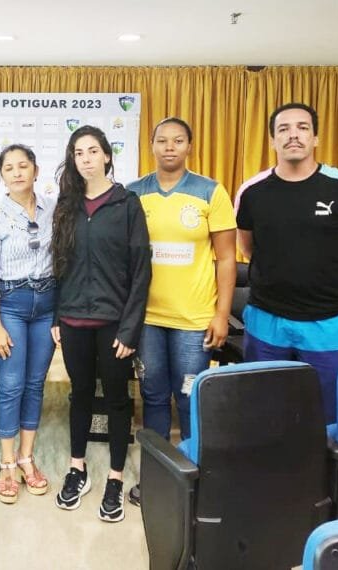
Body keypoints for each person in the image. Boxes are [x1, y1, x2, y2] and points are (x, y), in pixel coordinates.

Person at [235, 102, 338, 423]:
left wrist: (322, 277)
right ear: (272, 140)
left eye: (302, 127)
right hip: (267, 319)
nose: (293, 135)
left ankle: (323, 457)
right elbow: (248, 248)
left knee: (329, 416)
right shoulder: (252, 191)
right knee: (265, 411)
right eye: (283, 129)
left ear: (315, 138)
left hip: (328, 321)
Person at [125, 117, 236, 507]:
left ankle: (192, 477)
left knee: (189, 398)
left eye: (177, 141)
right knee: (153, 395)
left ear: (190, 146)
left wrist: (221, 314)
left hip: (194, 320)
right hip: (148, 320)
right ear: (152, 145)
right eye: (162, 140)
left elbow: (226, 259)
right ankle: (157, 477)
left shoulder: (210, 192)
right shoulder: (134, 193)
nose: (169, 147)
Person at [50, 126, 151, 522]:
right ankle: (78, 468)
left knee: (116, 399)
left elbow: (141, 271)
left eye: (93, 151)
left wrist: (130, 328)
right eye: (79, 152)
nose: (86, 159)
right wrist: (57, 315)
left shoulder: (127, 204)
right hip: (73, 319)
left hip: (114, 324)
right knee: (79, 394)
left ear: (108, 155)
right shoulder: (67, 205)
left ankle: (115, 476)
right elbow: (58, 265)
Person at [0, 144, 57, 505]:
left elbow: (64, 259)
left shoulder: (54, 210)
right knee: (10, 385)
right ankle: (7, 462)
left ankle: (26, 457)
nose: (17, 173)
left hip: (48, 305)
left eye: (23, 166)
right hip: (9, 305)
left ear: (36, 170)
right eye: (9, 168)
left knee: (36, 384)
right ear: (2, 176)